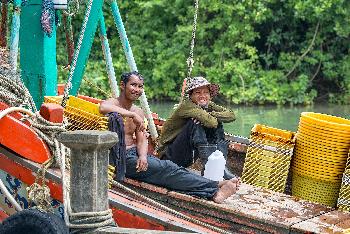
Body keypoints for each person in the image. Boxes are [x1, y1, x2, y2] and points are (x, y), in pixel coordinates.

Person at [99, 71, 240, 203]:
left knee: (170, 168)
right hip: (120, 157)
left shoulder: (139, 111)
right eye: (133, 85)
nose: (137, 89)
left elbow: (141, 138)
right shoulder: (114, 104)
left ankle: (217, 183)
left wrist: (142, 155)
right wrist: (131, 115)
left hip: (135, 155)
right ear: (123, 85)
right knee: (168, 169)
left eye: (140, 86)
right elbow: (103, 107)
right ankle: (214, 191)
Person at [158, 76, 236, 179]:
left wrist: (211, 113)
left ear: (210, 95)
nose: (202, 96)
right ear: (191, 95)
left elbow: (231, 115)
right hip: (169, 156)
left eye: (206, 92)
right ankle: (208, 164)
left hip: (187, 155)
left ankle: (219, 166)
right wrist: (209, 116)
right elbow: (211, 122)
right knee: (196, 122)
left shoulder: (207, 104)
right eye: (198, 92)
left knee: (217, 124)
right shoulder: (187, 106)